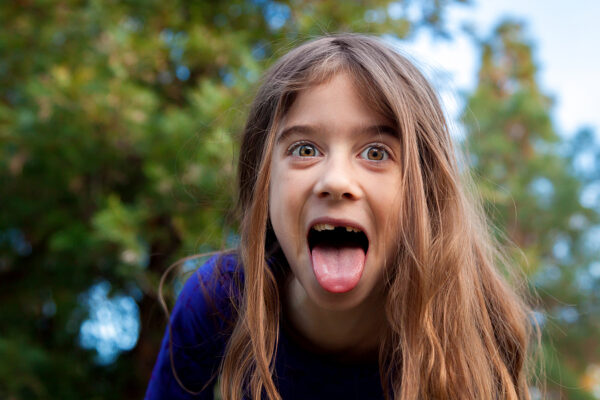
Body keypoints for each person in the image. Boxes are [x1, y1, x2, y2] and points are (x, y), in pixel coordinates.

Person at [145, 34, 535, 400]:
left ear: (426, 191)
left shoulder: (477, 326)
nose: (335, 181)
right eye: (304, 149)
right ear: (262, 183)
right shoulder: (219, 304)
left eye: (376, 153)